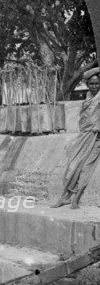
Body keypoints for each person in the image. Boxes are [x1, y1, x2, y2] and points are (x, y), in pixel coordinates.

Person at [51, 68, 100, 209]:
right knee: (72, 165)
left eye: (97, 84)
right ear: (88, 85)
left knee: (86, 168)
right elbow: (85, 74)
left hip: (95, 137)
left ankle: (75, 200)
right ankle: (65, 197)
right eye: (92, 84)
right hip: (83, 136)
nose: (95, 86)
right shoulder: (89, 96)